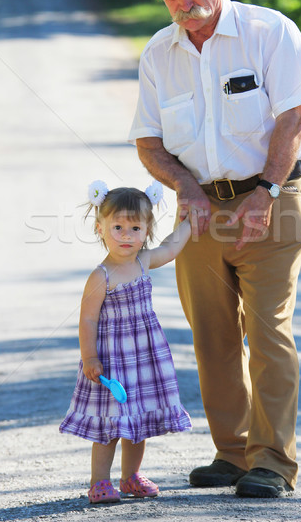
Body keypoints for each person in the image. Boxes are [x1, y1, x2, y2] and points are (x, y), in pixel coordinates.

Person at [129, 0, 301, 498]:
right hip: (198, 212)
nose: (183, 1)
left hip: (273, 200)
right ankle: (234, 452)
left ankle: (273, 463)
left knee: (268, 334)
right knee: (211, 336)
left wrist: (266, 191)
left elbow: (292, 118)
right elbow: (149, 144)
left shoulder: (270, 31)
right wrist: (185, 191)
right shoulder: (158, 53)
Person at [59, 180, 192, 504]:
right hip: (113, 360)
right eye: (117, 227)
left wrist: (188, 220)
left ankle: (130, 476)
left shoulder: (142, 261)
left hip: (144, 357)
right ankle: (100, 482)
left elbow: (172, 248)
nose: (126, 235)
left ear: (146, 230)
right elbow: (87, 319)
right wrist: (89, 357)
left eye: (135, 227)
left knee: (139, 421)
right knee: (110, 425)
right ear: (100, 228)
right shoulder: (101, 275)